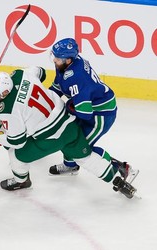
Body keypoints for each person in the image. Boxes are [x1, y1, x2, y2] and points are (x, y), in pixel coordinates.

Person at [0, 67, 138, 198]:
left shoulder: (8, 111)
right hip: (69, 124)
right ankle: (117, 179)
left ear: (3, 93)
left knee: (16, 155)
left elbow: (17, 141)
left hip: (49, 138)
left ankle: (21, 181)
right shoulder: (20, 74)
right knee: (85, 157)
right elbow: (41, 72)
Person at [48, 37, 139, 183]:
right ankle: (70, 166)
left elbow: (85, 113)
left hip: (101, 115)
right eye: (55, 57)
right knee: (67, 136)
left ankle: (123, 168)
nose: (54, 61)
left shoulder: (78, 78)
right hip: (89, 105)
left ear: (68, 60)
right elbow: (57, 87)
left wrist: (70, 107)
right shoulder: (66, 65)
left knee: (80, 146)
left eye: (58, 58)